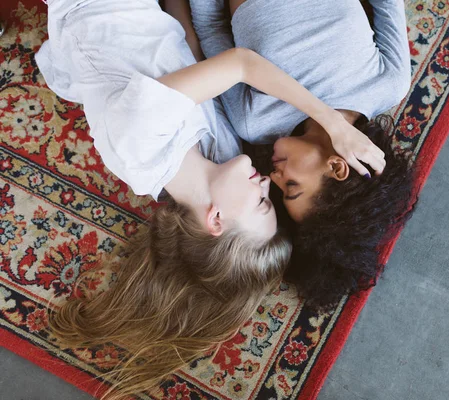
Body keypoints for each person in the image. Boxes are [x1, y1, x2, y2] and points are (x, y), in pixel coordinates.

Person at [35, 0, 384, 396]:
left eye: (261, 203)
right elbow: (192, 49)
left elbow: (240, 63)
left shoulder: (141, 144)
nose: (267, 183)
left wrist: (332, 123)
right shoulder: (219, 153)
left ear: (215, 220)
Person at [183, 0, 418, 309]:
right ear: (337, 168)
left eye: (278, 192)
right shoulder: (386, 86)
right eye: (291, 187)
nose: (273, 177)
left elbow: (212, 29)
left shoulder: (254, 122)